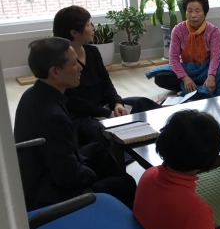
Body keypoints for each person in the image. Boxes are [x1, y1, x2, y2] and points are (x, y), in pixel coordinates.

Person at [14, 38, 137, 211]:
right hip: (50, 195)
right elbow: (68, 177)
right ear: (55, 71)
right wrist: (91, 174)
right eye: (74, 64)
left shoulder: (32, 94)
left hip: (44, 172)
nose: (80, 67)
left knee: (97, 150)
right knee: (126, 183)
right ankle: (109, 213)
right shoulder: (53, 117)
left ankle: (109, 203)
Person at [52, 5, 159, 146]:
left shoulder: (92, 51)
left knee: (141, 102)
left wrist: (117, 103)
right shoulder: (62, 62)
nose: (92, 28)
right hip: (85, 116)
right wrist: (106, 113)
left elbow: (106, 83)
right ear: (74, 32)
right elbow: (74, 102)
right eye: (88, 25)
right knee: (98, 132)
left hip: (106, 107)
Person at [152, 0, 220, 94]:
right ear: (185, 13)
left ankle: (198, 86)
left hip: (206, 69)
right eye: (189, 11)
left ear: (205, 13)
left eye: (197, 11)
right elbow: (173, 58)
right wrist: (185, 78)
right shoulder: (178, 30)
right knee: (160, 77)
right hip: (186, 69)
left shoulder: (213, 31)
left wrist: (211, 76)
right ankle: (193, 85)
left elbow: (215, 57)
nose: (193, 15)